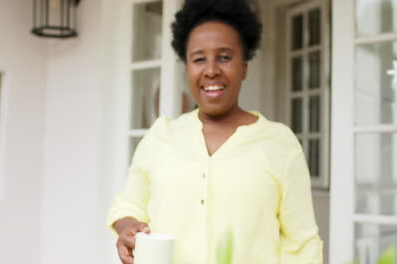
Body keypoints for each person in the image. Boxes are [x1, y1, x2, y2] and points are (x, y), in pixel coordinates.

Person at [107, 0, 323, 263]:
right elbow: (128, 205)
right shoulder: (161, 136)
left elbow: (302, 244)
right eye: (199, 59)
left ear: (244, 67)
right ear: (187, 69)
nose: (211, 70)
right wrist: (128, 229)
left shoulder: (280, 143)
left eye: (224, 57)